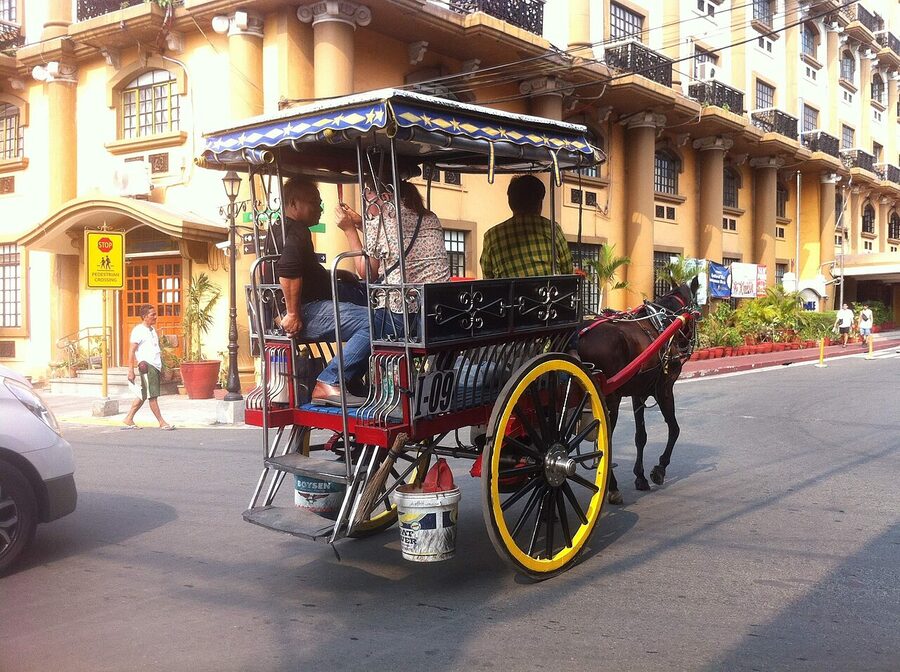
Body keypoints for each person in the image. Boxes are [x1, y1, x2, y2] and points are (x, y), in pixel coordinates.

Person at [276, 177, 370, 407]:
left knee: (365, 294)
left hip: (308, 304)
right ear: (293, 203)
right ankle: (331, 380)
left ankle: (352, 380)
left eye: (320, 203)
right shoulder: (297, 232)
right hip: (306, 311)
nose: (319, 209)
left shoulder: (283, 229)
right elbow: (288, 268)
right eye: (313, 203)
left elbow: (306, 270)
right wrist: (292, 314)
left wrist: (337, 275)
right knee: (376, 322)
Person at [335, 179, 450, 339]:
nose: (368, 208)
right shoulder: (430, 218)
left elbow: (367, 274)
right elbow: (393, 241)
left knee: (345, 314)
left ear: (385, 197)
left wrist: (349, 230)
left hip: (399, 317)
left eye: (368, 200)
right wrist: (363, 224)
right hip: (436, 314)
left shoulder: (380, 222)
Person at [480, 174, 573, 279]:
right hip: (549, 293)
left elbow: (488, 278)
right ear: (540, 203)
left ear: (510, 202)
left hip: (510, 294)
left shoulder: (491, 236)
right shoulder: (552, 229)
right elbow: (568, 271)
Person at [123, 304, 174, 429]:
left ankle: (129, 418)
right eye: (152, 315)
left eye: (155, 314)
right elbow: (131, 351)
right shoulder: (138, 331)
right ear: (145, 317)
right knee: (152, 395)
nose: (155, 317)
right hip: (146, 366)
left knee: (144, 394)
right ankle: (161, 422)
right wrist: (131, 370)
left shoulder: (152, 331)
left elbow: (155, 350)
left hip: (155, 366)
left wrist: (161, 367)